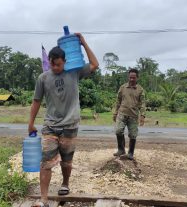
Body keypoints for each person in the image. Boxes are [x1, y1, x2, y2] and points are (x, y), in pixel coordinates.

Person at [28, 33, 99, 207]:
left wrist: (83, 42)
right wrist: (30, 123)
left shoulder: (75, 72)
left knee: (66, 162)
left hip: (70, 126)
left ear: (65, 61)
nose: (55, 67)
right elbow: (36, 101)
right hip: (50, 126)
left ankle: (65, 184)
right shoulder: (43, 78)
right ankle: (44, 200)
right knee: (45, 163)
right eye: (52, 63)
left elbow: (95, 64)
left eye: (58, 64)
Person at [113, 68, 145, 160]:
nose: (131, 79)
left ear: (137, 78)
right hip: (122, 114)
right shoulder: (123, 88)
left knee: (133, 135)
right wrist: (115, 113)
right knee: (118, 131)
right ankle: (121, 149)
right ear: (128, 77)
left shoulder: (140, 90)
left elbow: (143, 103)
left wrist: (142, 115)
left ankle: (130, 153)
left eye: (133, 78)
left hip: (133, 116)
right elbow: (118, 101)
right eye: (130, 77)